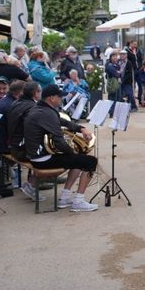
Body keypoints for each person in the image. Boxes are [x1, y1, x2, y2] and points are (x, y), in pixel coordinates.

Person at [23, 84, 98, 212]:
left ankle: (65, 198)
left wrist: (81, 129)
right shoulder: (47, 113)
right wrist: (73, 152)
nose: (61, 99)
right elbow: (60, 143)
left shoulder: (40, 108)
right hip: (42, 160)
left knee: (78, 160)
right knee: (90, 161)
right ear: (52, 98)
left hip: (36, 155)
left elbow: (62, 122)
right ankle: (78, 201)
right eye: (59, 97)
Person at [6, 81, 46, 200]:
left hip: (14, 146)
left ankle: (31, 184)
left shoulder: (16, 102)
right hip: (21, 150)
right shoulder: (32, 107)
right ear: (35, 93)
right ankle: (32, 186)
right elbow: (34, 131)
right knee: (55, 156)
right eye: (40, 92)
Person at [0, 79, 24, 158]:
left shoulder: (1, 101)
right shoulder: (13, 105)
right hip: (1, 145)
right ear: (21, 92)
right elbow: (14, 129)